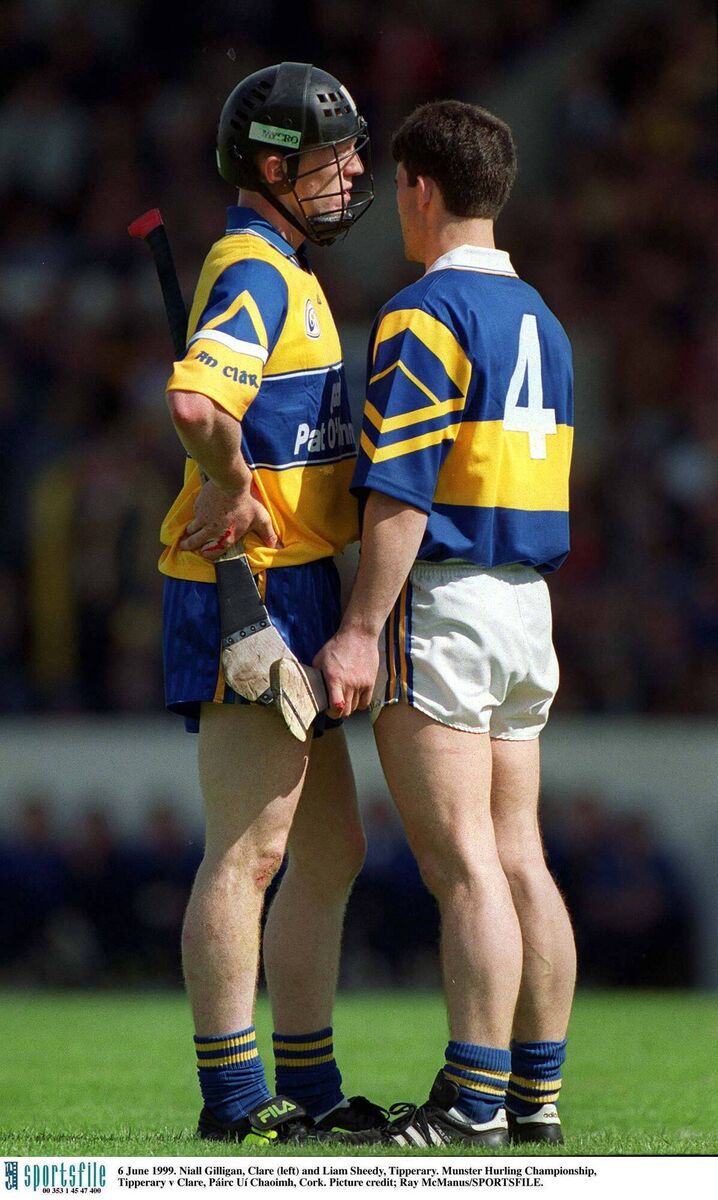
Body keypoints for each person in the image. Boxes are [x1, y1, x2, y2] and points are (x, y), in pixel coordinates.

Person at [315, 100, 577, 1148]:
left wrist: (355, 626)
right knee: (520, 856)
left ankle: (471, 1101)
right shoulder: (544, 318)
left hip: (448, 603)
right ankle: (534, 1099)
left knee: (463, 863)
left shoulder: (425, 313)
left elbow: (404, 496)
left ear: (419, 189)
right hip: (527, 605)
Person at [160, 62, 384, 1145]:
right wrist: (231, 480)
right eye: (333, 158)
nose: (352, 174)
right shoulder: (252, 266)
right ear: (272, 166)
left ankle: (310, 1084)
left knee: (329, 849)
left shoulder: (286, 266)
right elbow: (200, 400)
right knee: (248, 852)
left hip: (302, 580)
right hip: (243, 589)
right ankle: (235, 1101)